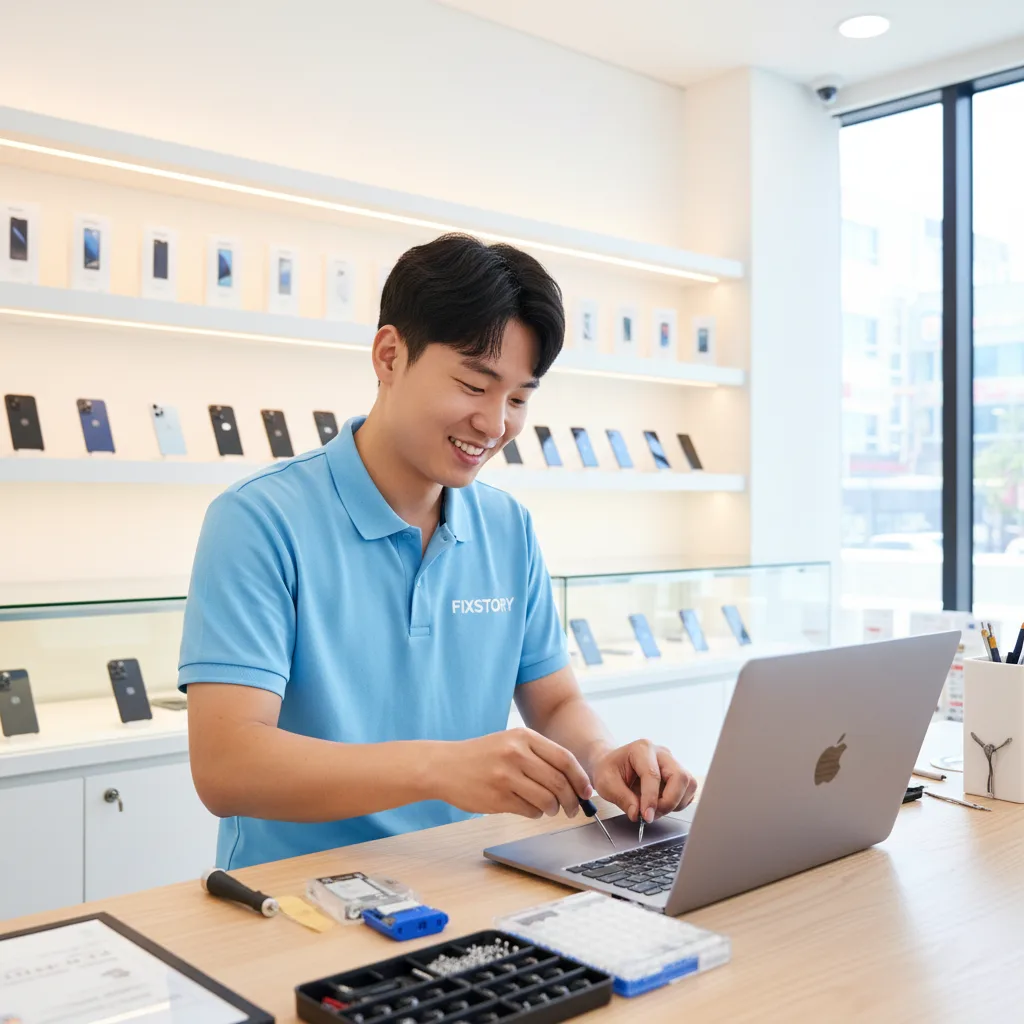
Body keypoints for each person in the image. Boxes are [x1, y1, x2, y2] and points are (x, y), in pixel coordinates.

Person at [180, 233, 697, 869]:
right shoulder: (258, 520)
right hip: (298, 898)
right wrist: (439, 767)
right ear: (390, 355)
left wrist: (602, 757)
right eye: (474, 385)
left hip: (465, 876)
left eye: (518, 398)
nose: (494, 423)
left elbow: (555, 701)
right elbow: (227, 766)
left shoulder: (508, 527)